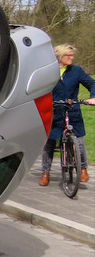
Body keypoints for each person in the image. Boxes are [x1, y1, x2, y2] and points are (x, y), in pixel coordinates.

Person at [39, 44, 95, 186]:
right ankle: (45, 173)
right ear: (59, 56)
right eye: (68, 55)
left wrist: (93, 97)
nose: (71, 57)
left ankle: (83, 169)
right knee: (49, 144)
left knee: (80, 143)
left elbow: (92, 84)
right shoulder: (48, 71)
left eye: (72, 55)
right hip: (54, 111)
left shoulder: (76, 71)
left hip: (72, 110)